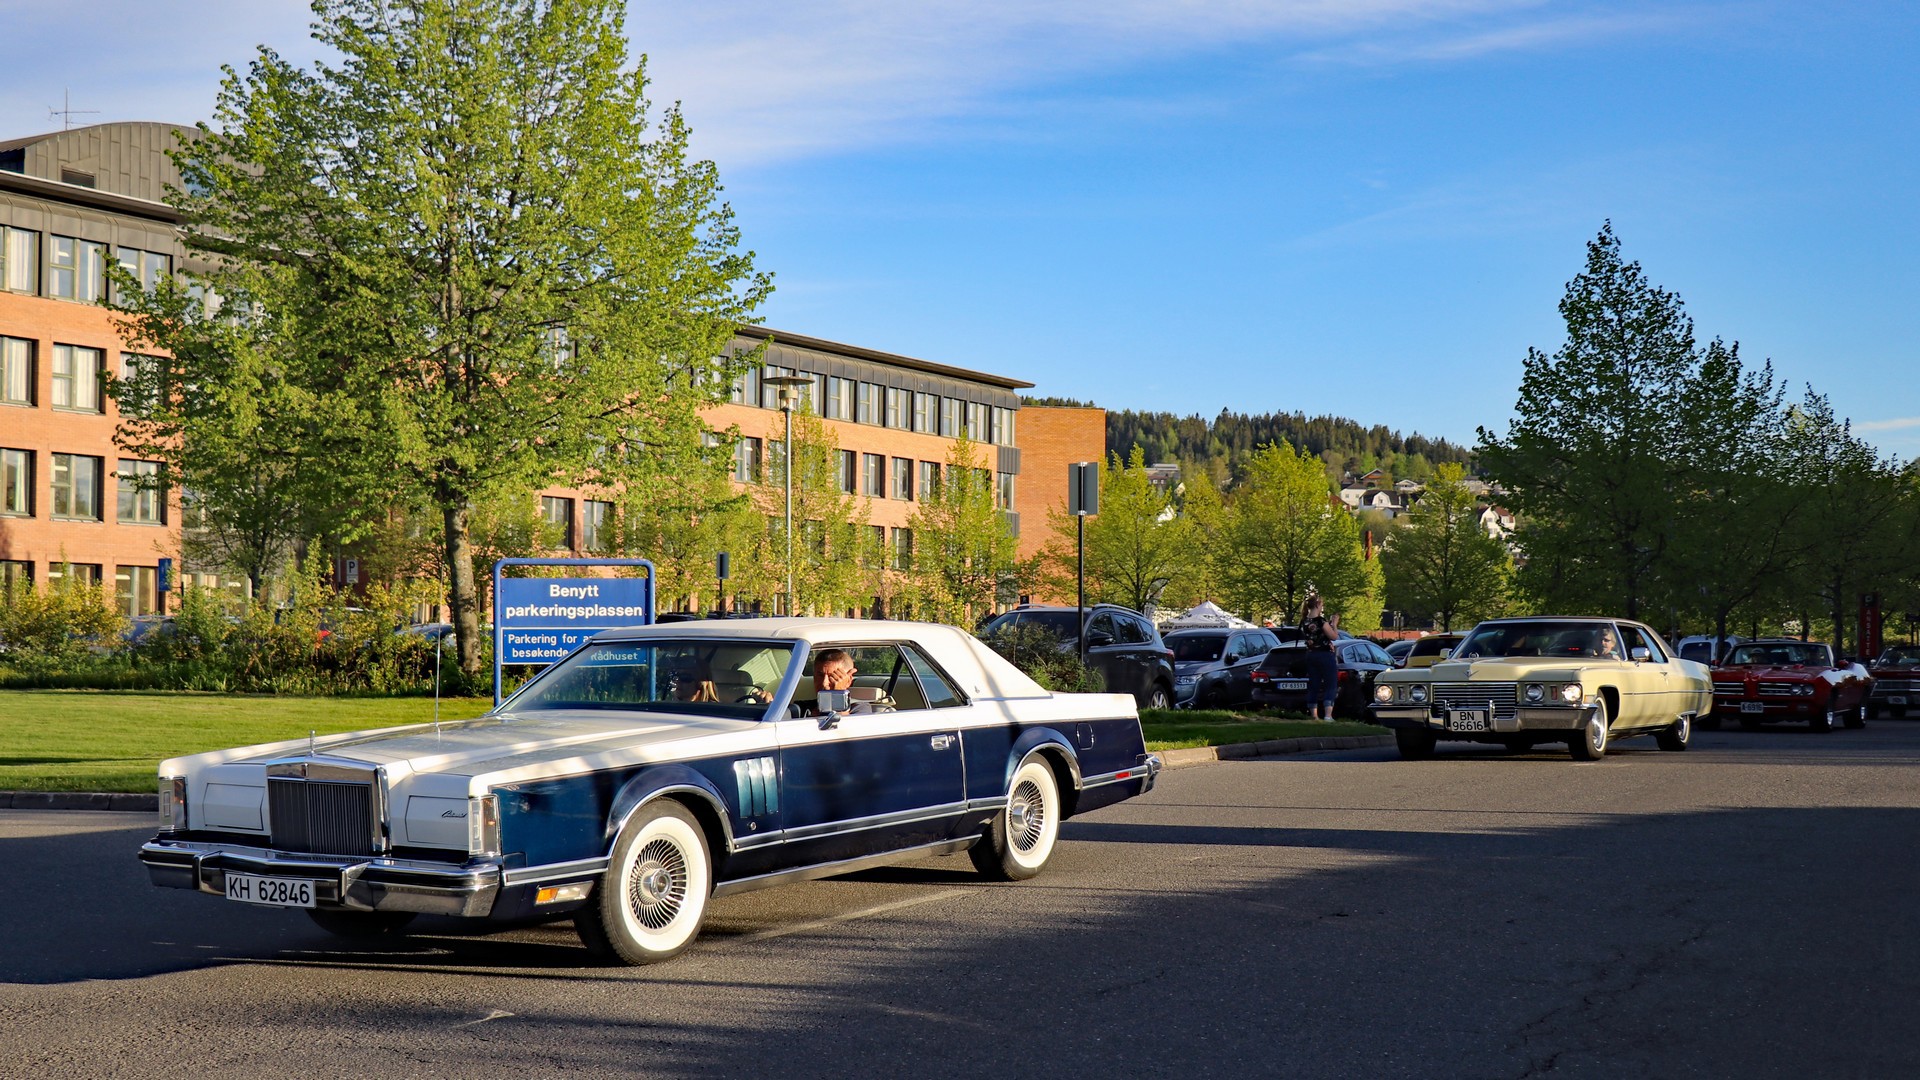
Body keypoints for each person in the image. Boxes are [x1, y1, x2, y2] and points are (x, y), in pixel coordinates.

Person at [796, 648, 875, 717]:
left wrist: (838, 694)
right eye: (820, 675)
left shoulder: (860, 709)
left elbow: (840, 727)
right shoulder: (801, 708)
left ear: (848, 680)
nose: (824, 683)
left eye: (833, 677)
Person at [1300, 595, 1340, 720]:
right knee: (1330, 683)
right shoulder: (1320, 621)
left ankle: (1314, 715)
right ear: (1317, 605)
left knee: (1314, 684)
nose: (1322, 606)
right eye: (1321, 604)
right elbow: (1334, 636)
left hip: (1311, 654)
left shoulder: (1304, 621)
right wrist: (1334, 625)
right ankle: (1328, 715)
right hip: (1324, 654)